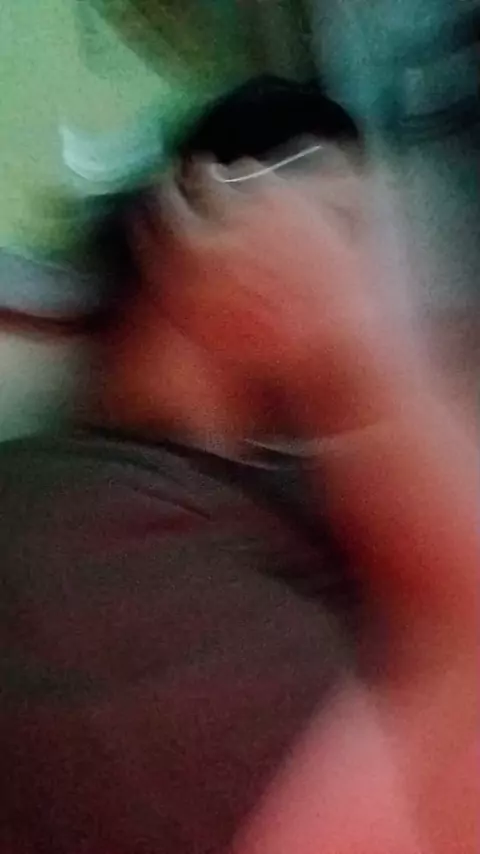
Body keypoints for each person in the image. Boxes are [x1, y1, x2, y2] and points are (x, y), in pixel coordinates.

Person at [0, 78, 477, 854]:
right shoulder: (65, 539)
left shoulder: (289, 477)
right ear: (211, 213)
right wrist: (363, 367)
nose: (385, 290)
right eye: (343, 230)